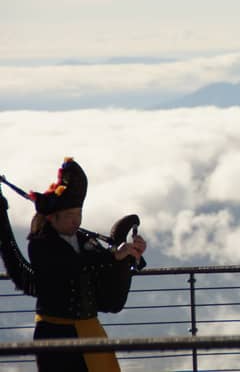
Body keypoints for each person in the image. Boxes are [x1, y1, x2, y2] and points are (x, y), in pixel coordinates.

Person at [1, 157, 146, 372]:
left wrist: (127, 257)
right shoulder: (40, 244)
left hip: (90, 329)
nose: (75, 220)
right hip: (55, 335)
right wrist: (114, 255)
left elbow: (107, 287)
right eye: (69, 215)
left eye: (78, 213)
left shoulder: (85, 241)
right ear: (52, 218)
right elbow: (70, 265)